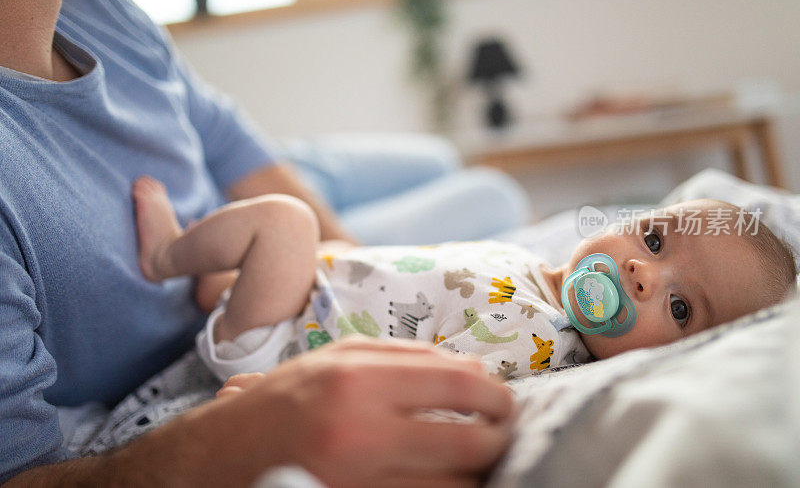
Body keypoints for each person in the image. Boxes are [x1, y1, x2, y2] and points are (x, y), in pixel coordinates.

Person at [0, 0, 525, 484]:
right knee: (491, 195)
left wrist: (352, 260)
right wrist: (227, 439)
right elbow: (18, 470)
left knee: (439, 160)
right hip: (239, 258)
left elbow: (221, 133)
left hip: (244, 187)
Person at [131, 176, 796, 385]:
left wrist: (279, 393)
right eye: (653, 238)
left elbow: (417, 384)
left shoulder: (538, 341)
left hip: (284, 341)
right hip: (321, 288)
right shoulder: (535, 269)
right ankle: (217, 282)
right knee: (324, 246)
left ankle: (166, 255)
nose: (642, 273)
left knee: (285, 220)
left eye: (680, 307)